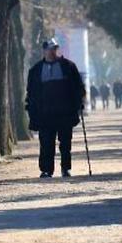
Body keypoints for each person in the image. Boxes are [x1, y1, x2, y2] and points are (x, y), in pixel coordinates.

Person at [25, 37, 86, 178]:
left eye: (54, 49)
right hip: (45, 114)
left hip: (65, 112)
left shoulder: (69, 67)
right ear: (44, 50)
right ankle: (46, 170)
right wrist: (32, 110)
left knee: (65, 143)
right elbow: (31, 92)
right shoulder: (35, 70)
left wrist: (79, 102)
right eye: (49, 49)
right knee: (46, 143)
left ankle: (65, 168)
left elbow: (78, 87)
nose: (52, 52)